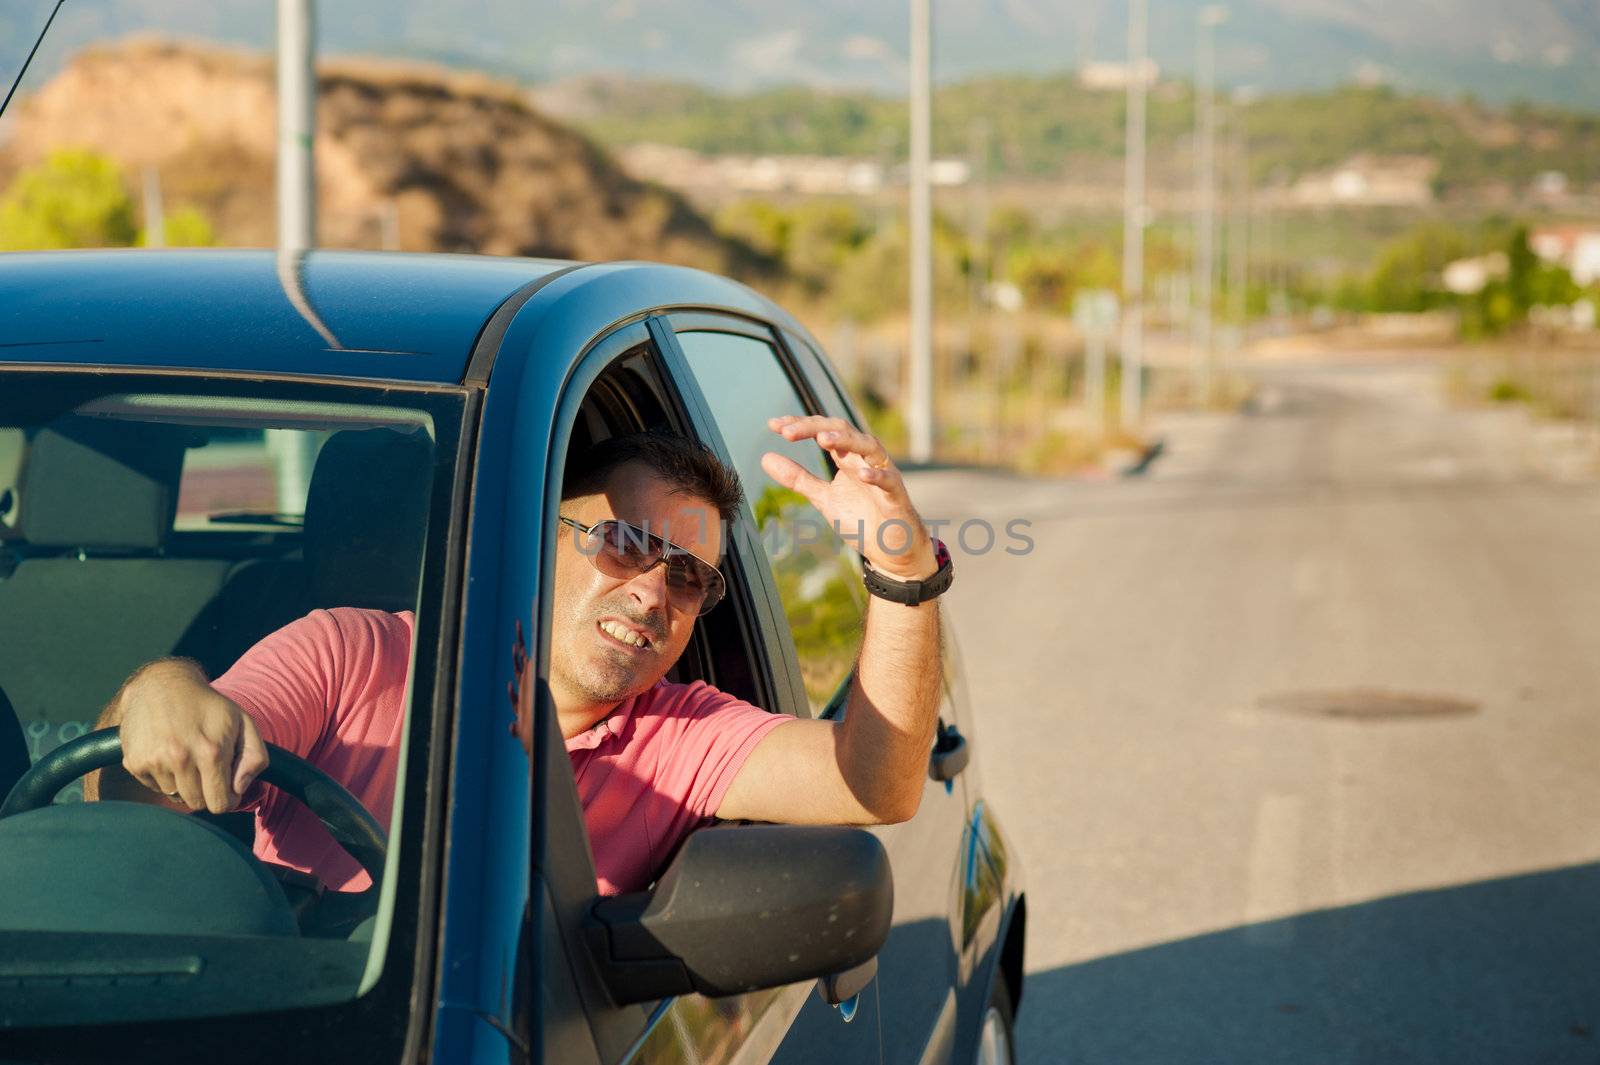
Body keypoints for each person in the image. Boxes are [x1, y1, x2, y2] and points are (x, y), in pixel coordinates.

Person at [86, 415, 950, 895]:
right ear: (537, 540)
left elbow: (875, 780)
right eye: (623, 542)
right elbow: (132, 790)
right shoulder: (353, 651)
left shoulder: (680, 734)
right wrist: (160, 689)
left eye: (688, 576)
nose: (653, 591)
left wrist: (904, 570)